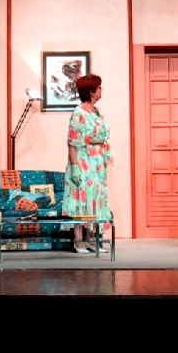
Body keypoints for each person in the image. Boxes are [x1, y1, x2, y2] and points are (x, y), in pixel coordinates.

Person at [63, 73, 113, 253]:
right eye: (98, 87)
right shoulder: (79, 112)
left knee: (95, 198)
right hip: (84, 160)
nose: (101, 90)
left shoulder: (96, 112)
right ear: (91, 91)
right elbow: (72, 142)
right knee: (81, 198)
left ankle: (91, 238)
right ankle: (78, 241)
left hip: (96, 161)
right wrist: (75, 167)